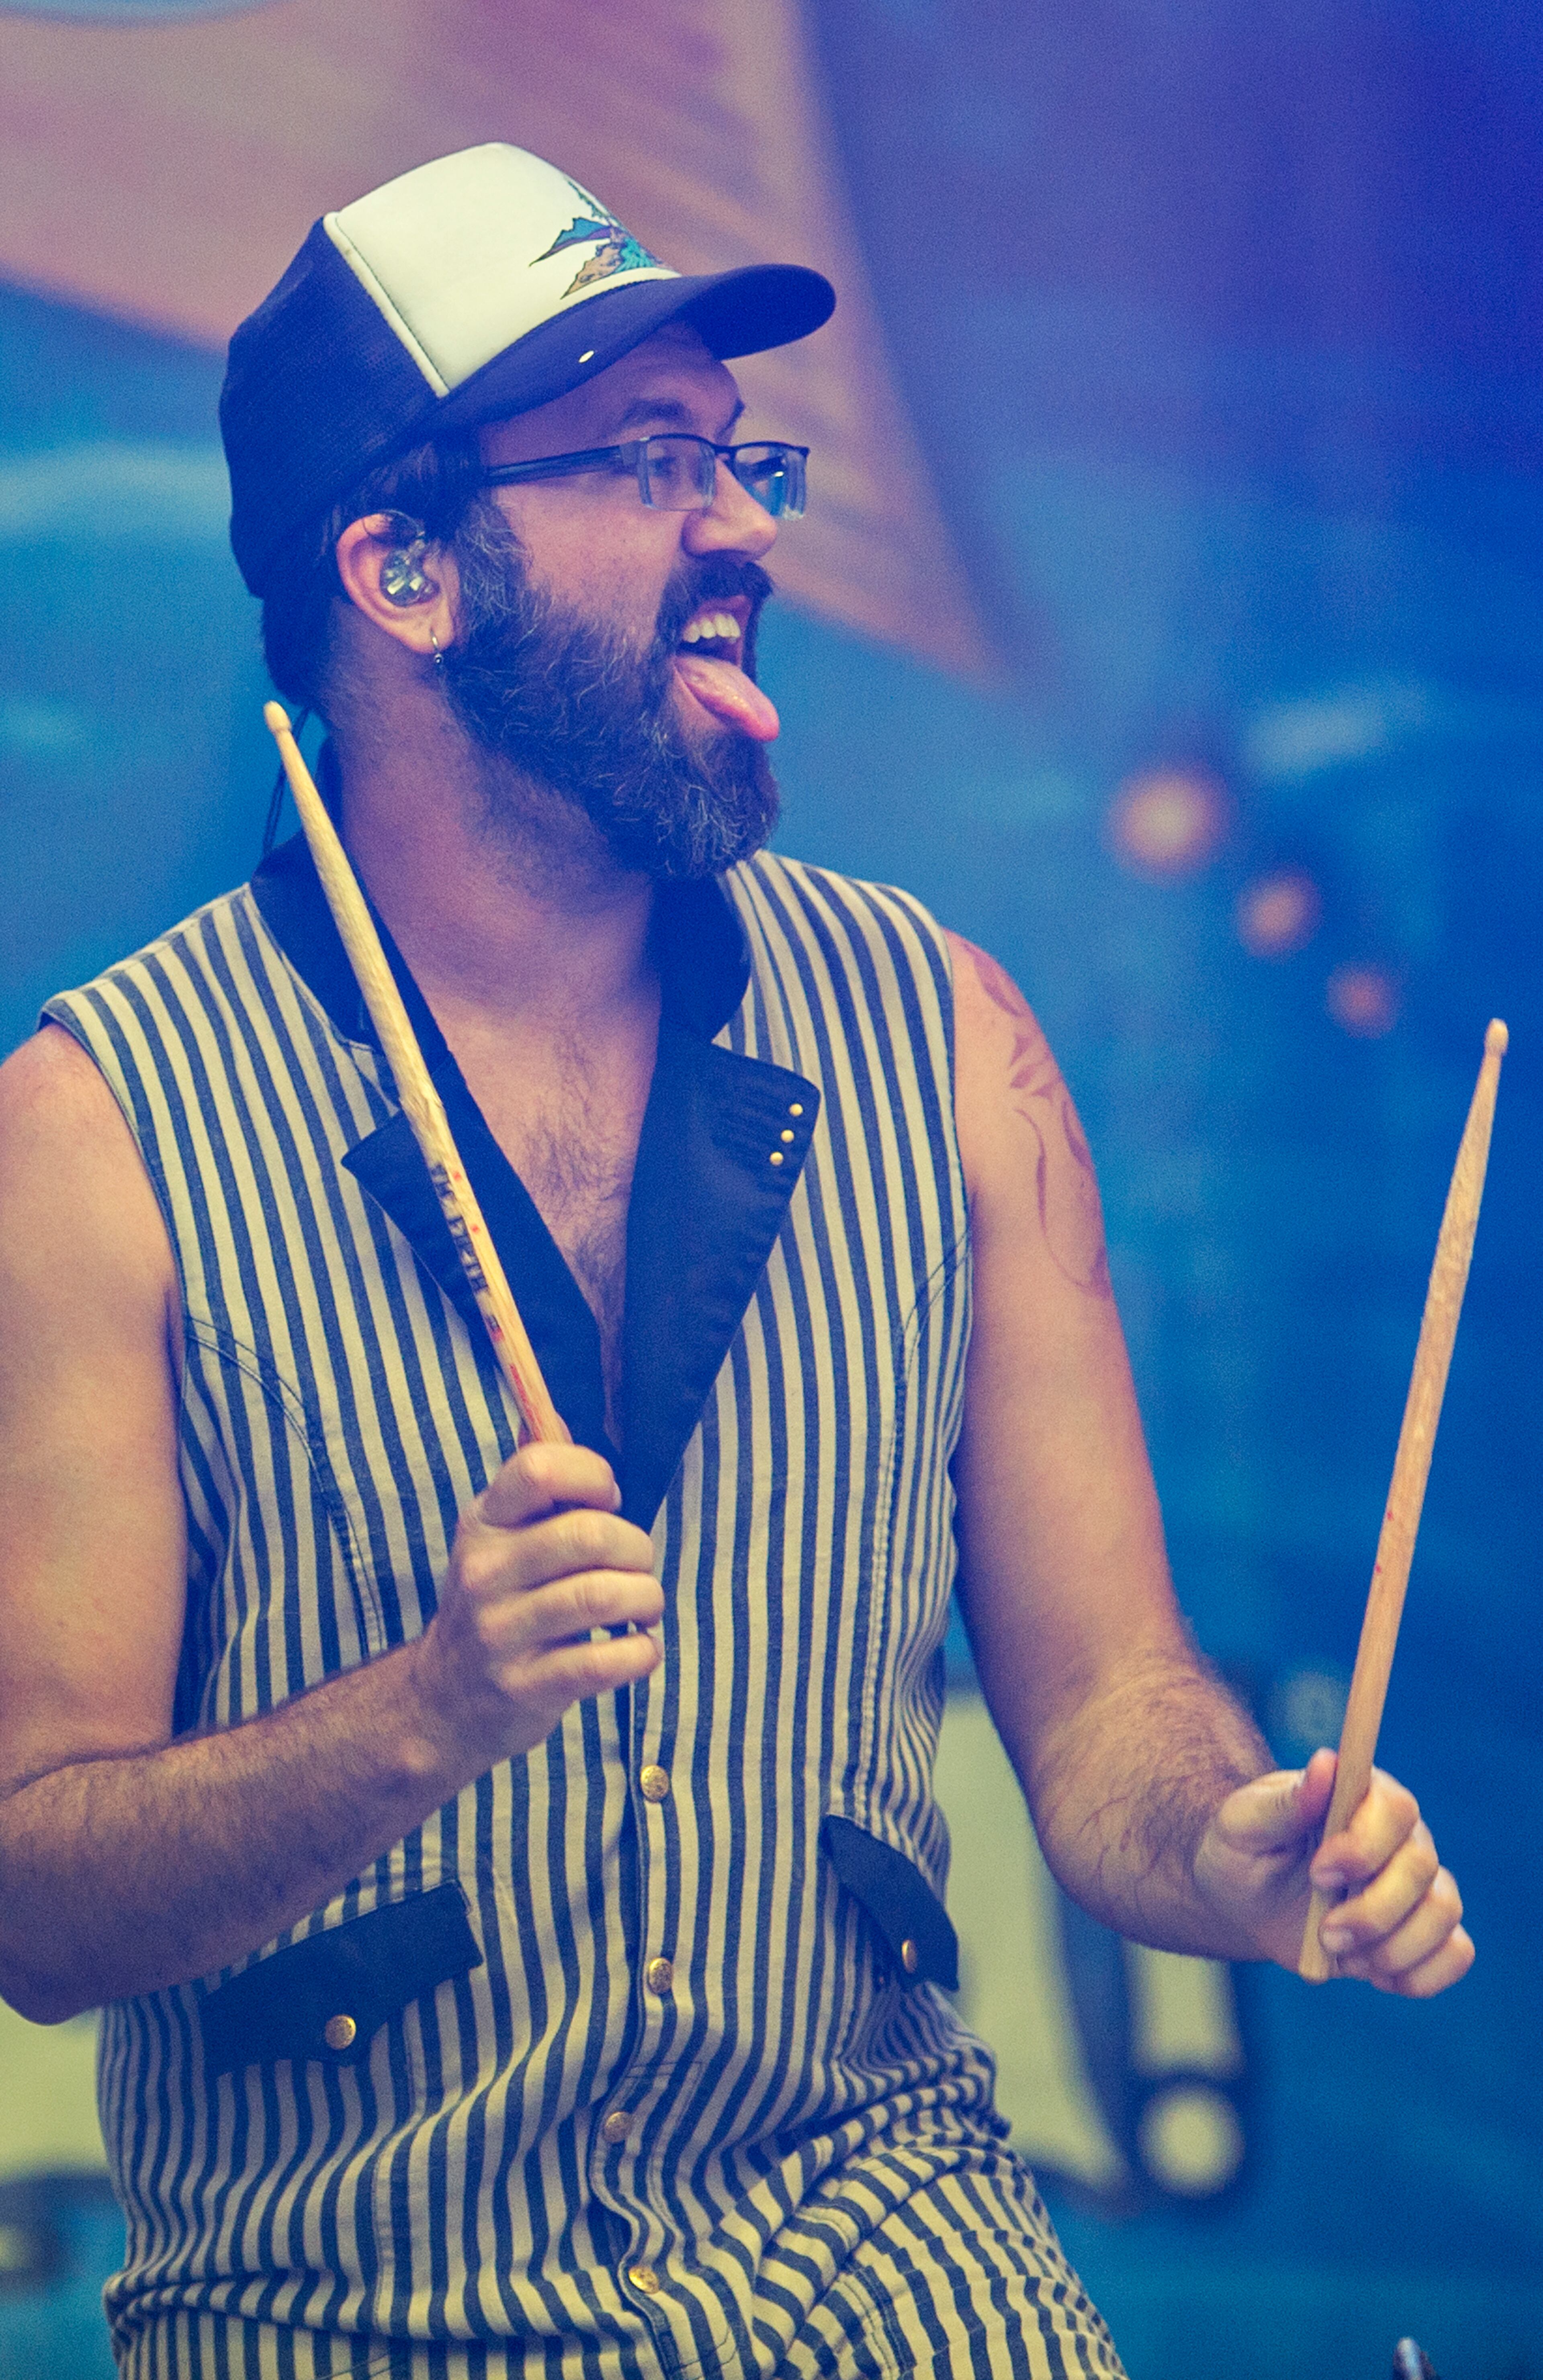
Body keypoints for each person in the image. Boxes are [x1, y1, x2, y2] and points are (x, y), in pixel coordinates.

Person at [0, 143, 1470, 2380]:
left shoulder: (948, 1037)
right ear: (399, 566)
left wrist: (1240, 1850)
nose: (747, 525)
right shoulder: (98, 1133)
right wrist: (424, 1713)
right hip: (345, 2306)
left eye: (741, 455)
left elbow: (1109, 1719)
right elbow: (34, 1889)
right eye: (652, 462)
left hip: (892, 2261)